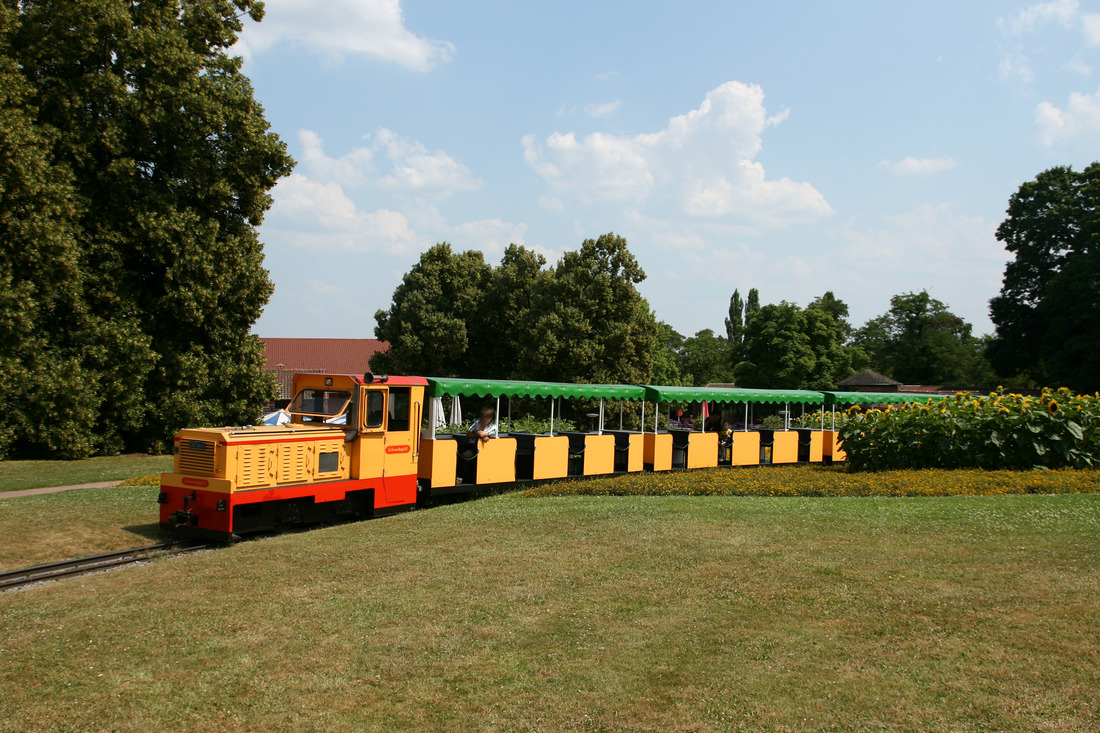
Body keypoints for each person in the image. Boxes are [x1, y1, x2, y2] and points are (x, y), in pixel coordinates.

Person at [460, 404, 497, 483]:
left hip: (485, 449)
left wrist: (475, 432)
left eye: (485, 416)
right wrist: (479, 434)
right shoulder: (476, 421)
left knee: (465, 455)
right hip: (472, 445)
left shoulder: (493, 426)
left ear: (490, 418)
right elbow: (468, 434)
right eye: (482, 416)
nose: (482, 418)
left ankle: (461, 476)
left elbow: (481, 434)